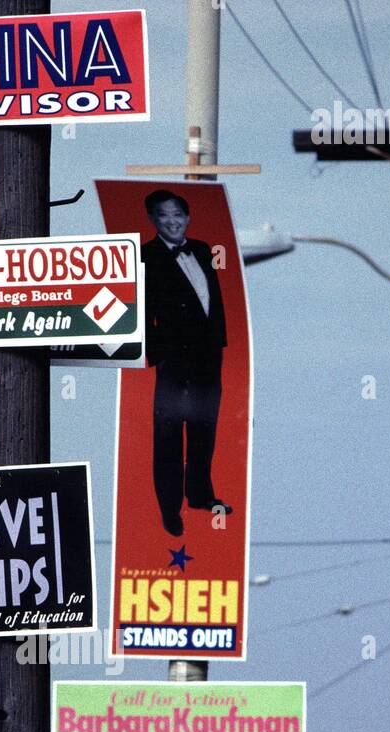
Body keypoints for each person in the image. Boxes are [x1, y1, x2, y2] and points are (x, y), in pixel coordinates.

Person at [141, 189, 232, 536]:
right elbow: (143, 310)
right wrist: (159, 356)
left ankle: (200, 494)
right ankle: (169, 510)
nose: (173, 221)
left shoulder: (204, 249)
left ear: (188, 217)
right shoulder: (147, 255)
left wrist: (218, 345)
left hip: (208, 358)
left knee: (203, 430)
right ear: (153, 219)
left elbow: (213, 301)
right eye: (164, 215)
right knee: (168, 436)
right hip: (173, 361)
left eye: (179, 214)